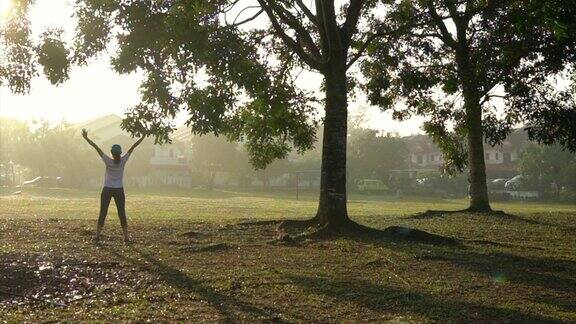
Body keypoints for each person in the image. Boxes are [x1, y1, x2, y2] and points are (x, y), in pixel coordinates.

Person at [82, 128, 145, 244]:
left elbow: (97, 148)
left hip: (107, 189)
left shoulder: (107, 160)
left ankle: (97, 235)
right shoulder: (123, 160)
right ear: (120, 153)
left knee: (103, 212)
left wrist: (86, 138)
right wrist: (143, 137)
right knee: (122, 212)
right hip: (119, 190)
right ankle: (126, 237)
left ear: (112, 153)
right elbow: (133, 147)